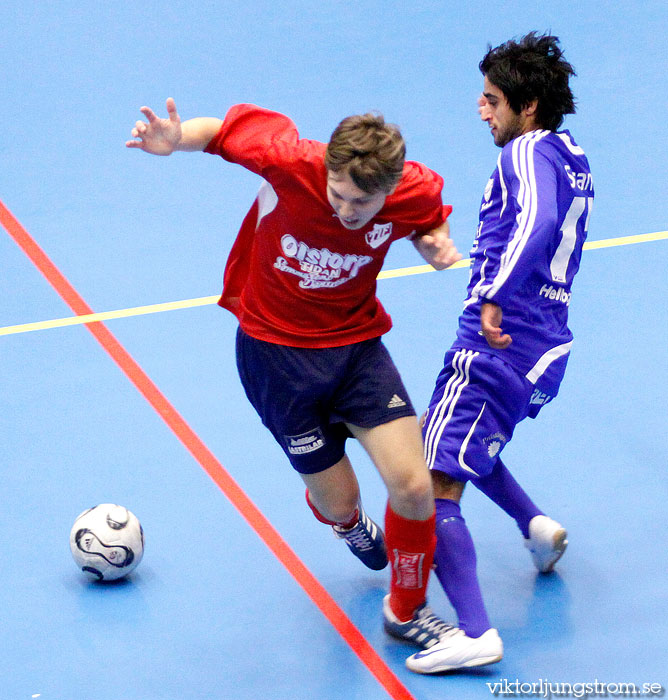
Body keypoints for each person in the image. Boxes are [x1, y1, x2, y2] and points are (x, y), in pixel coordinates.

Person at [126, 100, 462, 647]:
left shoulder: (411, 190)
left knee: (412, 484)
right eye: (340, 195)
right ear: (325, 171)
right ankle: (349, 525)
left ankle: (405, 610)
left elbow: (428, 217)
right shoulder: (289, 160)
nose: (349, 210)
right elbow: (221, 133)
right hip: (274, 356)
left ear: (389, 190)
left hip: (356, 349)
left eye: (364, 202)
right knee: (340, 501)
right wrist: (174, 138)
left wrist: (433, 242)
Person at [405, 32, 594, 674]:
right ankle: (535, 525)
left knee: (430, 476)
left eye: (492, 100)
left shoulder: (524, 153)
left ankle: (475, 632)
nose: (482, 110)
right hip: (546, 344)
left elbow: (536, 223)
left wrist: (491, 295)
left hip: (497, 340)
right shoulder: (573, 155)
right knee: (458, 442)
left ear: (528, 105)